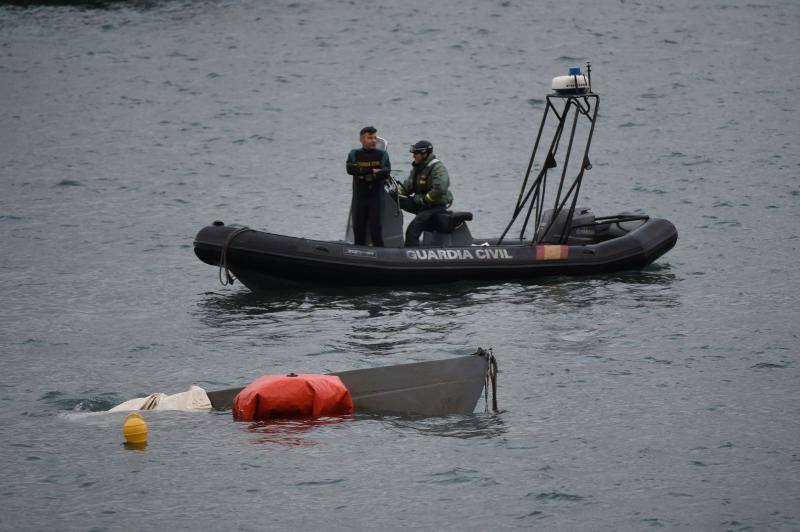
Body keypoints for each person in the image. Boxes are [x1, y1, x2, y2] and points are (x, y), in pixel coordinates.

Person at [397, 140, 453, 247]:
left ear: (424, 154)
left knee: (412, 230)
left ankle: (411, 256)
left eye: (415, 154)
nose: (413, 156)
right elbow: (408, 186)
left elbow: (441, 188)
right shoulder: (418, 167)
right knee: (397, 199)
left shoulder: (437, 168)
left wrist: (427, 199)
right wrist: (395, 193)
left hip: (435, 205)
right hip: (422, 203)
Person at [345, 126, 391, 247]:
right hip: (360, 199)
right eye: (370, 138)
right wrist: (373, 171)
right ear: (361, 139)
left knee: (376, 232)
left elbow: (386, 172)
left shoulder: (382, 154)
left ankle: (381, 258)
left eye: (375, 138)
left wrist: (362, 171)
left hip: (376, 199)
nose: (373, 141)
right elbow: (350, 169)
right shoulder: (354, 153)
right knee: (358, 231)